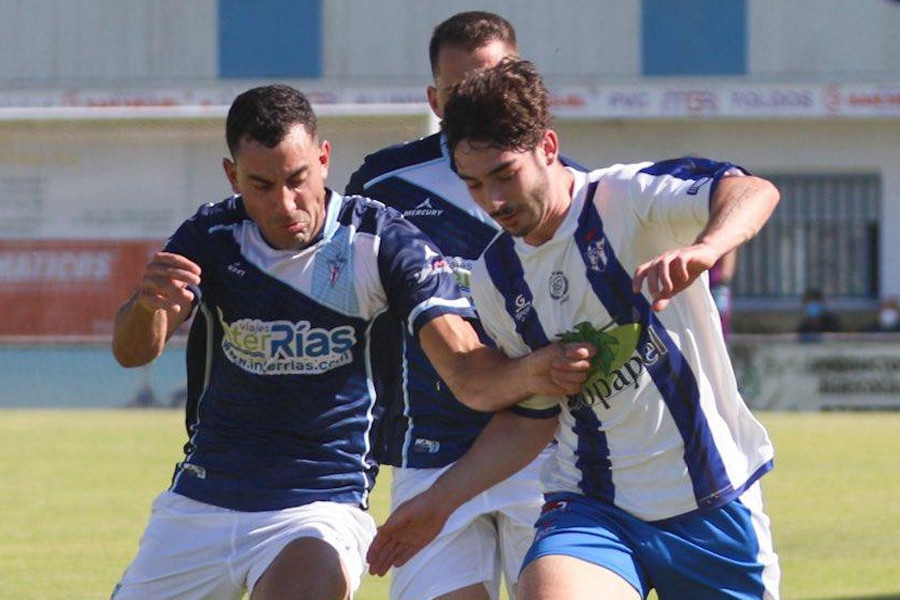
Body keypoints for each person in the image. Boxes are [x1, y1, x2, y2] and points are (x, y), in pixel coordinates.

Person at [109, 83, 593, 600]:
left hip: (318, 507)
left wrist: (534, 371)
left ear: (323, 159)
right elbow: (133, 350)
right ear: (233, 176)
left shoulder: (381, 242)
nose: (286, 202)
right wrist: (147, 306)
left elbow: (466, 372)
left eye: (298, 179)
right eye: (262, 185)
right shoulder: (210, 235)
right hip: (199, 499)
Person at [367, 59, 783, 600]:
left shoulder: (626, 199)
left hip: (712, 502)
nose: (491, 201)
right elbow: (530, 419)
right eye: (473, 183)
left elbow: (752, 190)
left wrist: (706, 247)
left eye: (503, 175)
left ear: (547, 146)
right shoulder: (496, 277)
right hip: (593, 509)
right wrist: (439, 502)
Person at [346, 12, 583, 600]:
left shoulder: (574, 188)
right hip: (431, 451)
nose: (481, 101)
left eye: (496, 81)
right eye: (459, 93)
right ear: (434, 99)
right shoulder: (383, 185)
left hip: (548, 451)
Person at [708, 248, 737, 340]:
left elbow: (730, 251)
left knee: (718, 331)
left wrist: (723, 284)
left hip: (716, 286)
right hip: (698, 285)